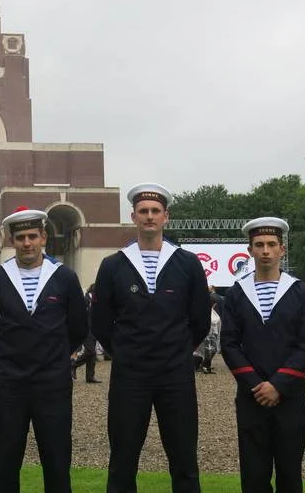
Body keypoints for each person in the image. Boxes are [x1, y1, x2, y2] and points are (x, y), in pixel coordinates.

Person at [91, 183, 210, 493]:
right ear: (133, 216)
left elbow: (199, 320)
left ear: (165, 217)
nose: (149, 217)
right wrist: (126, 352)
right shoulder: (114, 265)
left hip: (176, 374)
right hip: (130, 375)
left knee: (184, 458)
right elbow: (100, 321)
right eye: (143, 211)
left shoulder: (187, 263)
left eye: (155, 211)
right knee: (123, 458)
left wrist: (179, 350)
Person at [0, 206, 89, 493]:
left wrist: (57, 356)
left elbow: (78, 326)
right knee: (6, 463)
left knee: (57, 463)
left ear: (44, 238)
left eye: (32, 236)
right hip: (10, 385)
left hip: (53, 385)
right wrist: (7, 354)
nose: (27, 243)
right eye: (21, 237)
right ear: (12, 241)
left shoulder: (64, 277)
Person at [220, 217, 305, 493]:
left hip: (290, 397)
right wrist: (256, 384)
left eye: (272, 244)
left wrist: (278, 385)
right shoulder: (238, 293)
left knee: (290, 472)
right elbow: (229, 343)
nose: (265, 250)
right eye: (259, 244)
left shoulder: (300, 292)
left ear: (281, 250)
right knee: (253, 474)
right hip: (251, 397)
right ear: (249, 250)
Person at [71, 284, 101, 383]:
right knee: (90, 351)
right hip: (86, 329)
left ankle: (90, 377)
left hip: (94, 330)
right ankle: (73, 365)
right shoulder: (85, 299)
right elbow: (79, 314)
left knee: (92, 355)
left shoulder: (98, 301)